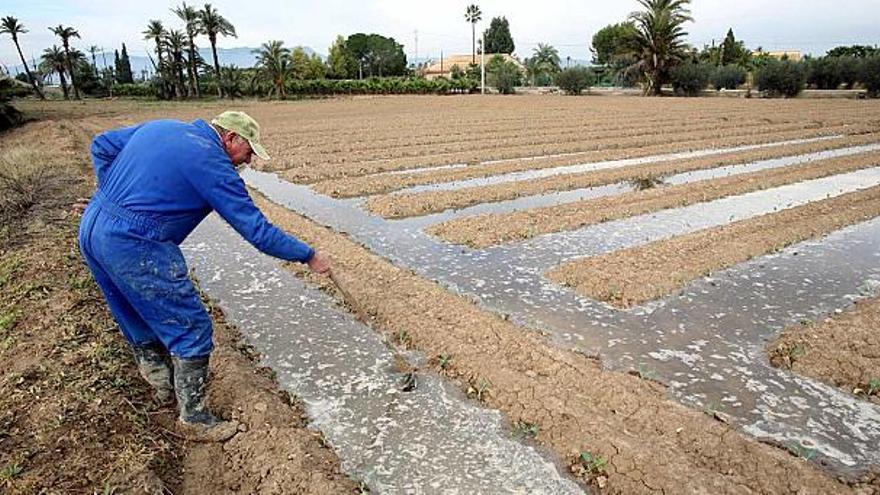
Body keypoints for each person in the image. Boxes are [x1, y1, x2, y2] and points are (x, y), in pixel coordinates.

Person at [78, 111, 330, 441]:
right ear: (230, 139)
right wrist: (309, 255)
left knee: (133, 309)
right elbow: (257, 231)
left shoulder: (164, 127)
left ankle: (160, 384)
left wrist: (110, 194)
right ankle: (193, 417)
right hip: (135, 243)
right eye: (249, 151)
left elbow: (102, 146)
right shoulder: (214, 165)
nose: (250, 161)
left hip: (94, 227)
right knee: (191, 326)